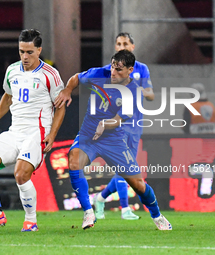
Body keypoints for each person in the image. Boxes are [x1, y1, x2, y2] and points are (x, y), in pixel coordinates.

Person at [55, 50, 171, 230]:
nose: (113, 73)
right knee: (73, 160)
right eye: (112, 67)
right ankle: (88, 212)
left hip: (113, 141)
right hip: (88, 137)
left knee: (139, 185)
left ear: (130, 70)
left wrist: (105, 124)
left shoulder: (133, 92)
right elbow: (76, 78)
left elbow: (118, 119)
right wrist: (67, 90)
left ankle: (157, 215)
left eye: (119, 69)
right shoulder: (99, 73)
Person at [0, 29, 65, 232]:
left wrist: (52, 135)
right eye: (21, 51)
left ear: (39, 50)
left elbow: (61, 106)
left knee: (21, 174)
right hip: (15, 132)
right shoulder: (12, 70)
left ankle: (31, 221)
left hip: (37, 133)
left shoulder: (50, 74)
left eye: (29, 52)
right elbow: (7, 97)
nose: (25, 56)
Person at [91, 32, 155, 220]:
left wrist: (136, 87)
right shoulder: (108, 71)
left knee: (124, 169)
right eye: (118, 43)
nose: (121, 46)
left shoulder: (141, 69)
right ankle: (125, 208)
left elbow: (151, 95)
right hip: (115, 124)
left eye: (125, 43)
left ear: (132, 47)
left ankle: (101, 198)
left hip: (135, 124)